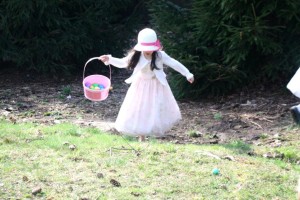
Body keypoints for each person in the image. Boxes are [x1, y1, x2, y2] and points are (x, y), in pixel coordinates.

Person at [99, 28, 194, 142]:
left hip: (156, 85)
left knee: (155, 107)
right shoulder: (136, 56)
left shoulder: (159, 55)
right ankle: (141, 135)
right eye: (145, 49)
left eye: (151, 49)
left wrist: (187, 73)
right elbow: (122, 62)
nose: (148, 51)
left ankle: (152, 129)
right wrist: (109, 59)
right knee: (140, 108)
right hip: (141, 85)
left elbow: (174, 63)